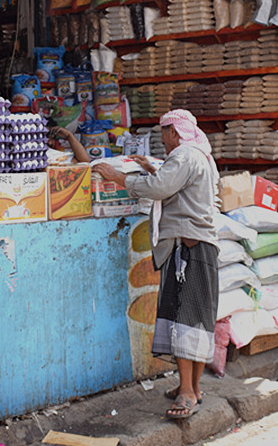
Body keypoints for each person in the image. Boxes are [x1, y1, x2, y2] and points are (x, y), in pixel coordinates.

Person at [93, 110, 218, 420]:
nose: (162, 139)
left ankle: (187, 391)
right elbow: (173, 184)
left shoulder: (185, 155)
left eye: (164, 132)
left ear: (174, 131)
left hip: (188, 247)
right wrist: (151, 169)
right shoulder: (199, 154)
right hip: (197, 246)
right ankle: (193, 388)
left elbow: (160, 188)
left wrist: (119, 177)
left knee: (183, 318)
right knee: (196, 319)